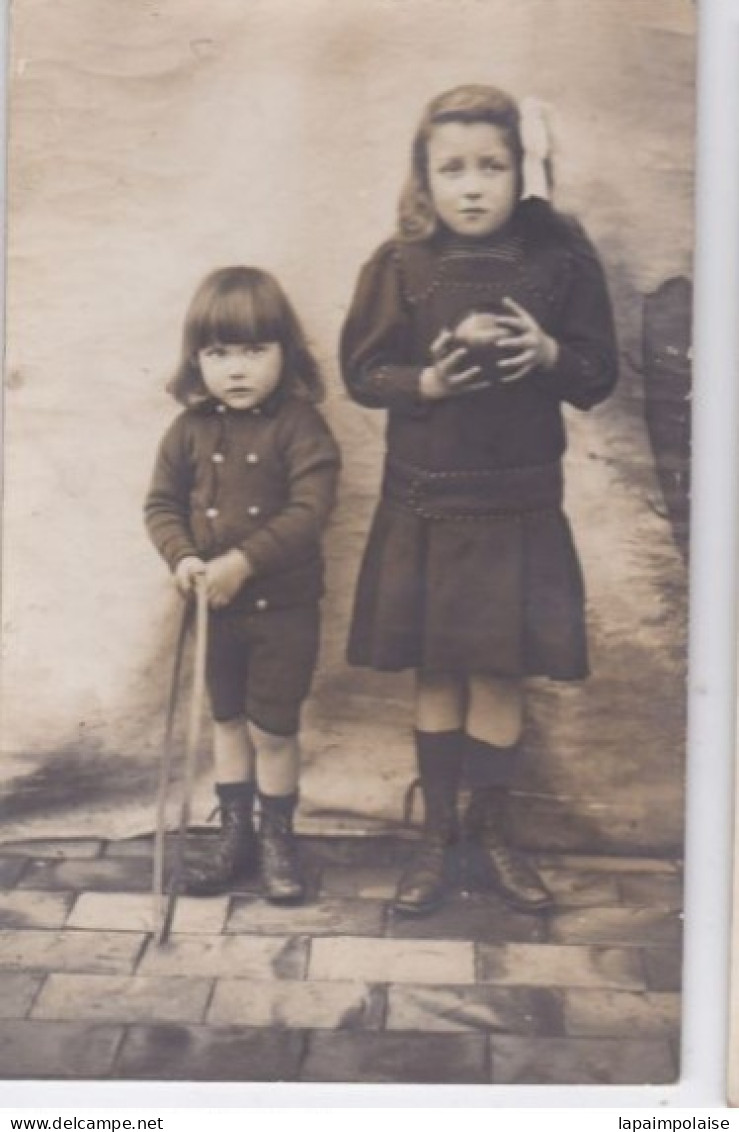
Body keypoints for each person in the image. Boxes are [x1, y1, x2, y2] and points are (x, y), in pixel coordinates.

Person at [340, 85, 618, 917]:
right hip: (426, 506)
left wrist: (546, 353)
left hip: (519, 506)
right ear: (423, 177)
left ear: (520, 170)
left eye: (491, 166)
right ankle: (439, 842)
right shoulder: (398, 264)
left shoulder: (560, 262)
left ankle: (492, 834)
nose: (472, 186)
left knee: (498, 675)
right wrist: (422, 379)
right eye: (451, 168)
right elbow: (360, 371)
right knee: (438, 673)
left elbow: (597, 374)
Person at [145, 266, 341, 903]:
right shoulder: (188, 431)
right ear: (196, 358)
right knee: (227, 721)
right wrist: (182, 559)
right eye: (218, 352)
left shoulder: (301, 426)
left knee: (272, 728)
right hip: (216, 614)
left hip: (282, 612)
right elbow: (161, 506)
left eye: (254, 350)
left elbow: (309, 512)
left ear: (285, 351)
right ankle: (236, 837)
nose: (236, 368)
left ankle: (279, 836)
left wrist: (243, 561)